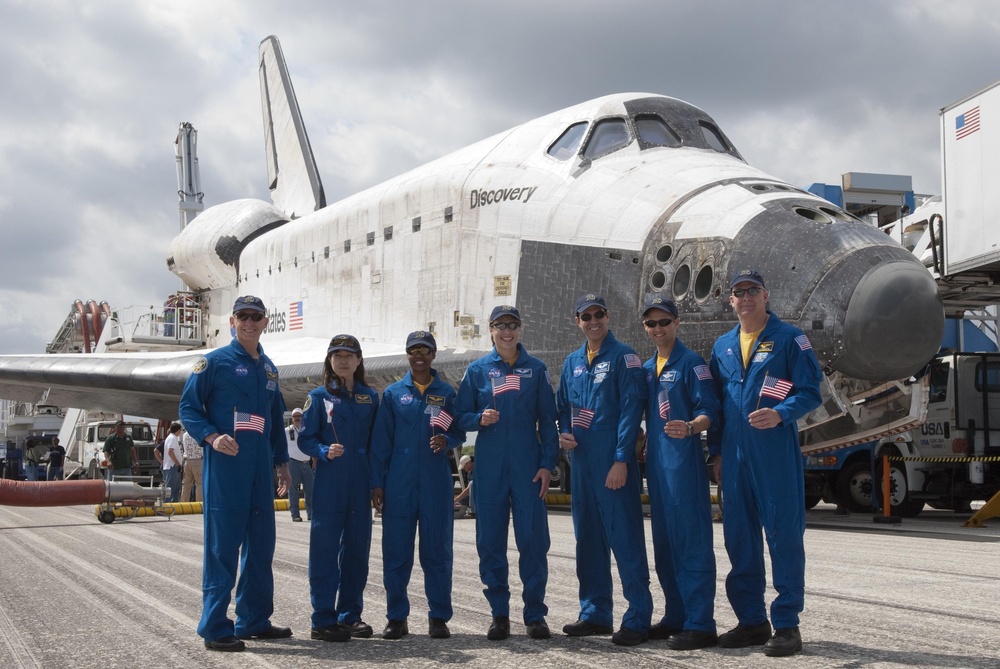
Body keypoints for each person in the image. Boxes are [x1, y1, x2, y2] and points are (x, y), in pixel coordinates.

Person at [708, 270, 823, 658]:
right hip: (735, 456)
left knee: (783, 535)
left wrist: (781, 413)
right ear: (730, 301)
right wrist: (718, 452)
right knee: (739, 537)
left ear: (765, 295)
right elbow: (719, 405)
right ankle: (752, 620)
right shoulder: (722, 346)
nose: (746, 298)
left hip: (773, 451)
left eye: (752, 291)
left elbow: (811, 391)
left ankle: (787, 623)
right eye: (739, 293)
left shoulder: (790, 339)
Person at [178, 295, 292, 652]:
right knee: (222, 547)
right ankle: (214, 626)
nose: (250, 323)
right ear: (232, 320)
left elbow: (275, 422)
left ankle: (253, 620)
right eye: (243, 316)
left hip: (260, 469)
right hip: (227, 467)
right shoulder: (212, 363)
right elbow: (188, 408)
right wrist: (211, 435)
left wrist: (282, 463)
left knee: (261, 546)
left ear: (265, 321)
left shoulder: (270, 369)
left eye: (256, 317)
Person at [455, 305, 560, 641]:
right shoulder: (477, 371)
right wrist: (478, 419)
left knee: (533, 542)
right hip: (490, 469)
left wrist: (547, 464)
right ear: (490, 330)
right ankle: (499, 614)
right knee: (490, 543)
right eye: (500, 326)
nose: (507, 332)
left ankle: (535, 615)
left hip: (528, 468)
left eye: (512, 325)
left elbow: (548, 422)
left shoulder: (537, 369)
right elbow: (459, 417)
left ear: (520, 329)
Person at [556, 293, 652, 646]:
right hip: (581, 464)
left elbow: (631, 411)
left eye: (599, 315)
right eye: (586, 316)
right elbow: (563, 406)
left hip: (613, 464)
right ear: (577, 320)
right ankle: (595, 612)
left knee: (625, 539)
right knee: (589, 541)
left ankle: (638, 616)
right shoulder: (572, 362)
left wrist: (622, 460)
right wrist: (563, 433)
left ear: (608, 317)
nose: (593, 321)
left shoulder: (625, 357)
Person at [370, 331, 466, 640]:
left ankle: (438, 617)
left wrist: (447, 439)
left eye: (425, 349)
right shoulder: (394, 394)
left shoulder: (446, 393)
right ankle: (397, 616)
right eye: (414, 350)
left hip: (435, 485)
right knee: (396, 553)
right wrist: (378, 483)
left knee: (437, 553)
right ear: (408, 355)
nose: (419, 355)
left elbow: (459, 432)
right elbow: (381, 443)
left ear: (434, 354)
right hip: (399, 484)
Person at [639, 296, 722, 650]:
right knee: (665, 545)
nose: (659, 329)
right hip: (657, 467)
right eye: (652, 324)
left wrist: (691, 427)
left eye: (664, 322)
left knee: (691, 543)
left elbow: (711, 409)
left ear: (677, 323)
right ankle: (676, 615)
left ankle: (700, 623)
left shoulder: (692, 364)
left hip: (683, 464)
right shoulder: (646, 368)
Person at [298, 334, 380, 643]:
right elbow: (305, 438)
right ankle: (322, 619)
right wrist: (321, 450)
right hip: (331, 480)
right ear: (329, 361)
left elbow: (378, 443)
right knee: (325, 549)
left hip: (360, 481)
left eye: (349, 354)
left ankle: (350, 616)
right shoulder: (318, 398)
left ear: (359, 360)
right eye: (337, 355)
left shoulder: (371, 397)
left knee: (358, 550)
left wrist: (376, 483)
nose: (343, 360)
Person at [286, 408, 314, 522]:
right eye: (295, 416)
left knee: (310, 489)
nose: (298, 418)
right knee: (293, 489)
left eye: (300, 416)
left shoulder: (308, 431)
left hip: (306, 463)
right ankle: (295, 514)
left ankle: (311, 513)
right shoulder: (287, 431)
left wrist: (314, 461)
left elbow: (312, 445)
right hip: (293, 463)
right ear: (292, 419)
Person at [180, 426, 204, 502]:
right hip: (197, 460)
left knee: (186, 484)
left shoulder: (185, 435)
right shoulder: (198, 434)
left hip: (187, 461)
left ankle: (183, 503)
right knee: (200, 484)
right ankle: (199, 503)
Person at [162, 423, 184, 503]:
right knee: (170, 488)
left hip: (173, 466)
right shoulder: (172, 438)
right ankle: (166, 504)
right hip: (172, 466)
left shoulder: (172, 438)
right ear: (178, 430)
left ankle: (175, 504)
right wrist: (177, 463)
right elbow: (170, 451)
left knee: (176, 487)